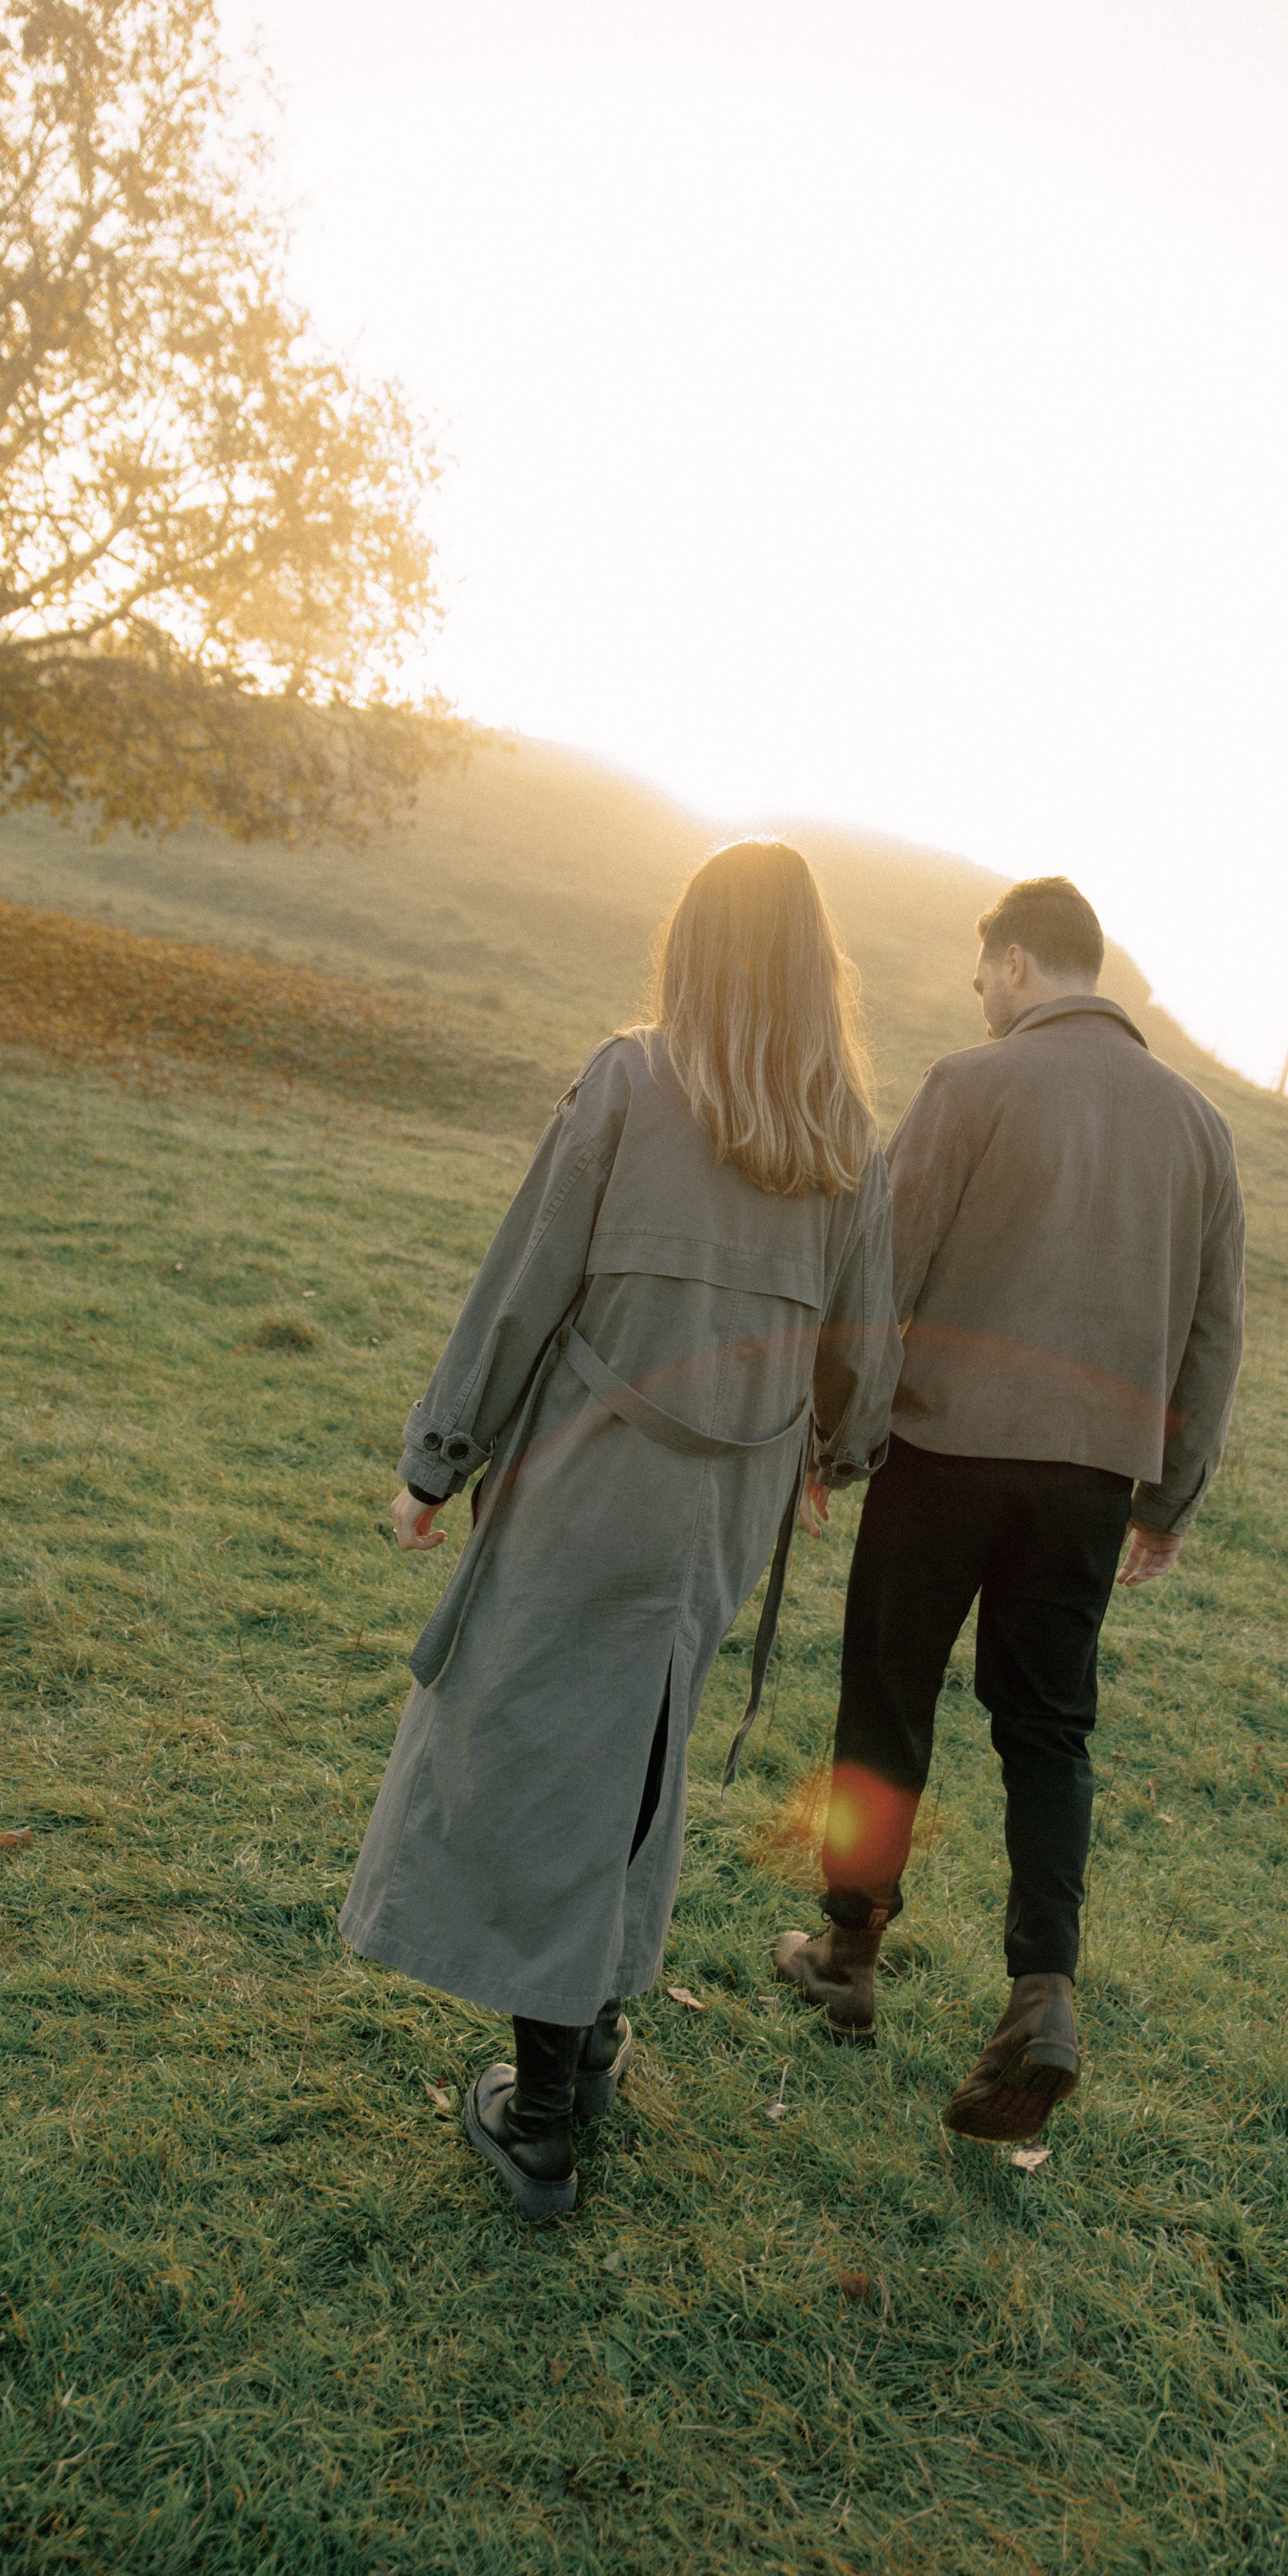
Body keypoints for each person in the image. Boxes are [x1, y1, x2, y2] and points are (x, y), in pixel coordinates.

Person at [342, 841, 901, 2220]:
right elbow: (865, 1345)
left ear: (692, 948)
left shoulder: (631, 1076)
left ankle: (540, 2121)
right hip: (730, 1506)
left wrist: (434, 1461)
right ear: (812, 971)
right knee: (635, 1752)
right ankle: (582, 2036)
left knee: (547, 1761)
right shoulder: (844, 1133)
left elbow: (522, 1283)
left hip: (593, 1482)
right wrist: (832, 1454)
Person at [773, 874, 1244, 2141]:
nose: (978, 994)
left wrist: (835, 1441)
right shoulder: (1200, 1130)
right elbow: (1214, 1337)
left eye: (986, 972)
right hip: (1089, 1484)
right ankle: (1042, 1994)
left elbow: (883, 1273)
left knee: (887, 1695)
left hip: (944, 1453)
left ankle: (848, 1956)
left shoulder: (969, 1086)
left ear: (1024, 965)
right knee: (1048, 1730)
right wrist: (1168, 1500)